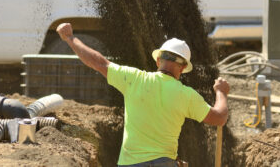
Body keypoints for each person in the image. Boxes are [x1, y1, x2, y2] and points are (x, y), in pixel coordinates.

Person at [56, 23, 230, 167]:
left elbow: (99, 62)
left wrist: (70, 38)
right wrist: (221, 92)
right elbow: (220, 117)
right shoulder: (186, 95)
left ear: (158, 60)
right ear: (183, 68)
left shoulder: (134, 79)